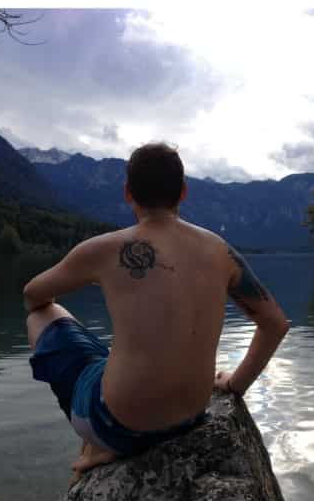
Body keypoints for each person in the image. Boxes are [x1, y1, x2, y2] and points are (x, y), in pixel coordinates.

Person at [24, 142, 289, 479]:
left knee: (43, 315)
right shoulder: (220, 251)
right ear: (183, 192)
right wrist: (235, 385)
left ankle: (99, 439)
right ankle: (102, 430)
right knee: (111, 356)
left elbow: (33, 294)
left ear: (127, 193)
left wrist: (98, 279)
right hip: (192, 416)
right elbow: (275, 324)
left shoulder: (102, 249)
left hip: (117, 425)